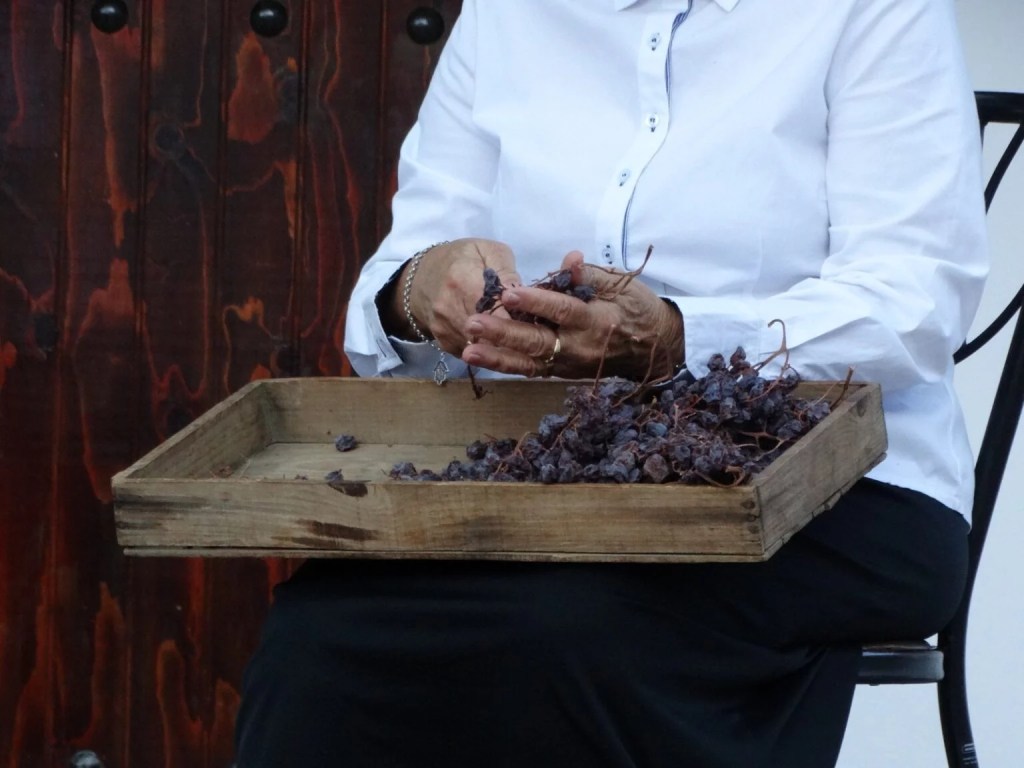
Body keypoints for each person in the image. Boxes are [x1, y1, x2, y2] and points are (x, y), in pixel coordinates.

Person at [234, 0, 989, 765]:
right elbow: (402, 278)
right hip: (550, 478)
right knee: (317, 636)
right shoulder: (507, 14)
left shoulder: (872, 10)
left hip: (839, 482)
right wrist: (423, 289)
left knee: (566, 627)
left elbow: (917, 299)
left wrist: (679, 341)